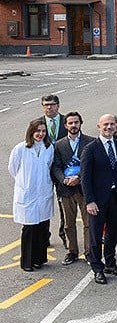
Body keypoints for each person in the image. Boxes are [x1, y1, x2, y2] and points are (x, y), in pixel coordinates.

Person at [81, 114, 117, 284]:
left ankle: (110, 263)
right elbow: (85, 178)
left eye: (112, 124)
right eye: (105, 125)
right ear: (99, 126)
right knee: (96, 235)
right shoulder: (90, 149)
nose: (109, 127)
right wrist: (89, 201)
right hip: (97, 200)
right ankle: (97, 268)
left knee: (112, 233)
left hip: (116, 198)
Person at [9, 119, 55, 272]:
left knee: (42, 227)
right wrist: (25, 184)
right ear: (31, 132)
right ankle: (27, 262)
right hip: (27, 194)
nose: (40, 134)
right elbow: (13, 169)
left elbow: (49, 167)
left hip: (43, 193)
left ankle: (40, 259)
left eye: (43, 131)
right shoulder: (20, 149)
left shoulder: (49, 148)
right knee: (29, 228)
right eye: (38, 131)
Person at [52, 111, 93, 266]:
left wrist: (80, 179)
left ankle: (89, 252)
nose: (73, 125)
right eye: (70, 123)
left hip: (84, 188)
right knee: (69, 223)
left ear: (80, 123)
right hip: (66, 188)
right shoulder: (59, 144)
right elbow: (56, 166)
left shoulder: (90, 141)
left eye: (76, 122)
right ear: (65, 125)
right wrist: (64, 179)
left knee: (88, 222)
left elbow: (92, 166)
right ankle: (72, 251)